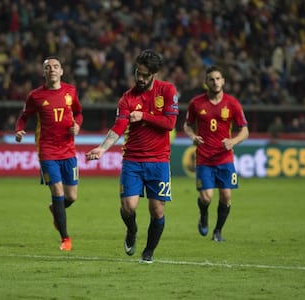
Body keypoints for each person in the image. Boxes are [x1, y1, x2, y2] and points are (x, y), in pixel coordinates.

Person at [86, 49, 179, 263]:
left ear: (154, 74)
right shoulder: (127, 98)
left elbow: (170, 123)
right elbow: (118, 127)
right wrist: (102, 148)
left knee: (157, 210)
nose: (141, 78)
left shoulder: (167, 91)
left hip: (159, 161)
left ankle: (148, 252)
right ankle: (131, 230)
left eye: (146, 75)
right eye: (138, 73)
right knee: (128, 207)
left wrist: (144, 116)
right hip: (132, 160)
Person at [15, 56, 83, 251]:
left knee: (71, 196)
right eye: (48, 67)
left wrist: (77, 125)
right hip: (47, 151)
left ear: (61, 71)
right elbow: (24, 116)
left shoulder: (71, 91)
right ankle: (66, 239)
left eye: (55, 66)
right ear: (44, 72)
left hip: (68, 151)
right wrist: (19, 129)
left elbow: (78, 112)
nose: (52, 69)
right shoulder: (35, 96)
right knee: (58, 191)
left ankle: (55, 209)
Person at [183, 65, 249, 242]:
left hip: (225, 158)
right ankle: (203, 214)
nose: (215, 82)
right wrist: (192, 136)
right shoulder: (196, 103)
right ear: (206, 82)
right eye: (211, 79)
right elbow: (187, 125)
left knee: (226, 196)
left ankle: (218, 231)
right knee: (206, 197)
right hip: (204, 157)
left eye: (218, 78)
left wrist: (233, 141)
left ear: (223, 81)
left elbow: (244, 130)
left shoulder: (232, 103)